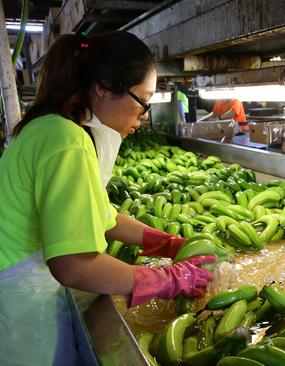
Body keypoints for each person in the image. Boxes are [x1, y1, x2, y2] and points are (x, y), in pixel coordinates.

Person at [0, 32, 214, 365]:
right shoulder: (67, 141)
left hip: (20, 290)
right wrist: (164, 280)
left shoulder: (52, 128)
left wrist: (163, 242)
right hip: (18, 307)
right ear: (103, 87)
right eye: (143, 102)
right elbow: (71, 266)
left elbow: (100, 214)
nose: (144, 117)